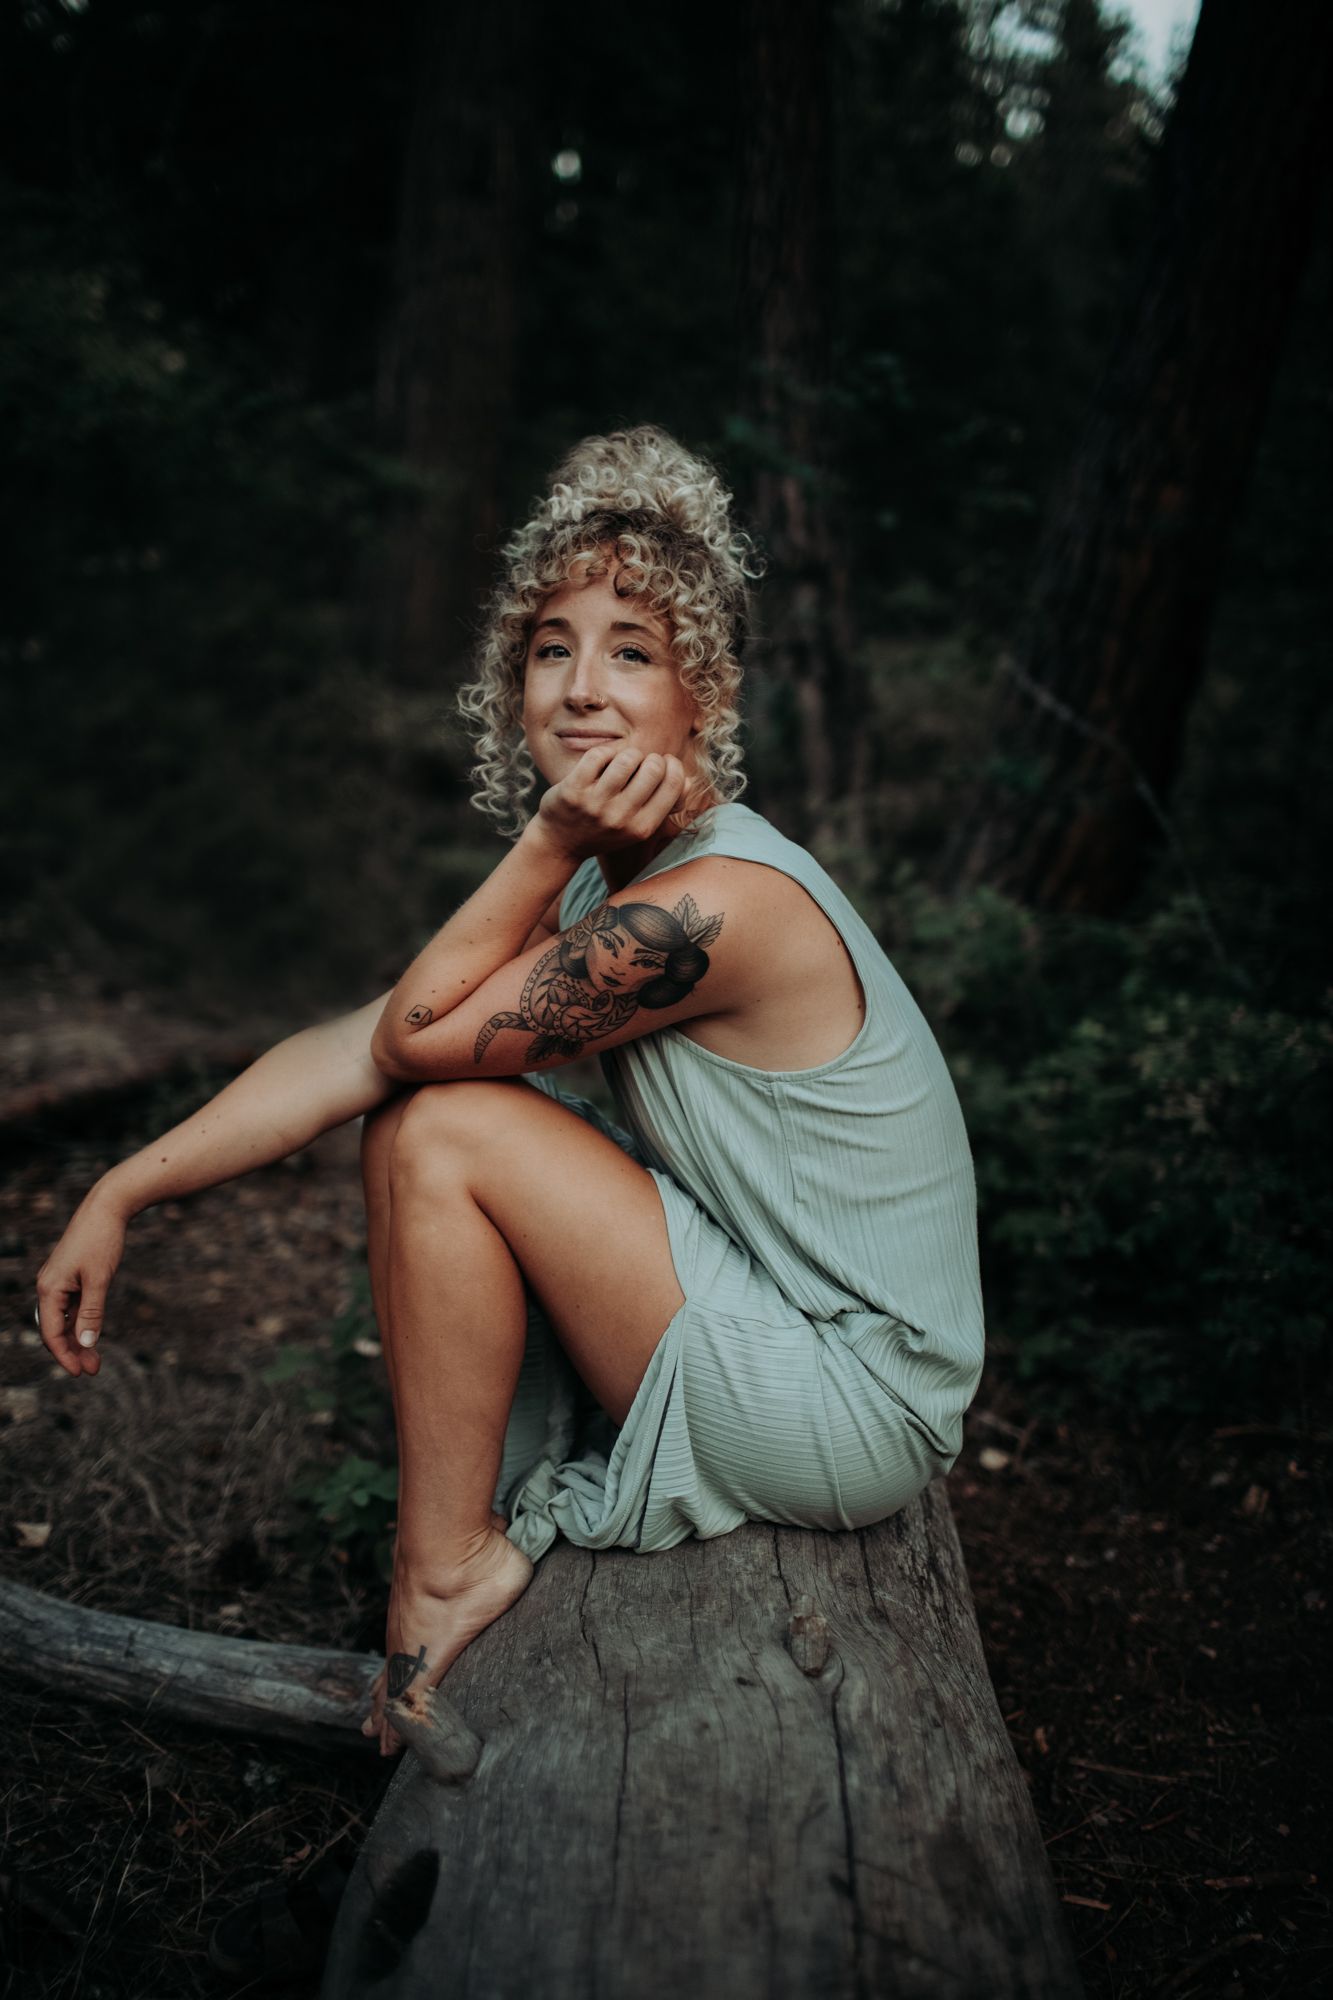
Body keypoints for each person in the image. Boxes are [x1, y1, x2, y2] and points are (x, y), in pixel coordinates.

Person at [35, 424, 985, 1774]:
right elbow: (362, 1043)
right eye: (550, 647)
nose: (581, 688)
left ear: (703, 698)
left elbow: (419, 1045)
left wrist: (541, 842)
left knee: (447, 1127)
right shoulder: (614, 877)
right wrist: (122, 1188)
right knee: (419, 1111)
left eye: (632, 651)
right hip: (783, 1318)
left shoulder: (715, 904)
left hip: (851, 1396)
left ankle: (446, 1567)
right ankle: (453, 1540)